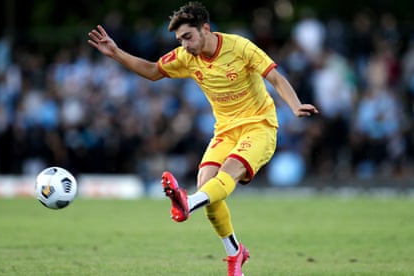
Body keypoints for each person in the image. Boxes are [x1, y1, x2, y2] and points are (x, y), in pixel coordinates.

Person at [88, 2, 318, 275]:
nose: (184, 45)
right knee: (209, 189)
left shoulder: (240, 47)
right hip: (224, 131)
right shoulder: (187, 57)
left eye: (188, 37)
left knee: (225, 176)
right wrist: (115, 53)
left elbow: (276, 78)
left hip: (259, 126)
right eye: (179, 40)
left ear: (205, 28)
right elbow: (152, 72)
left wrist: (294, 106)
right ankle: (235, 253)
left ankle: (189, 203)